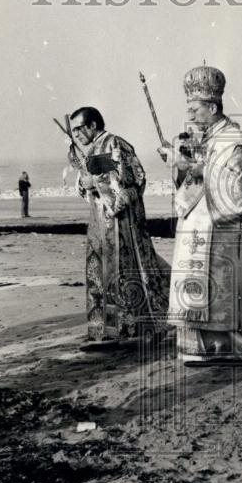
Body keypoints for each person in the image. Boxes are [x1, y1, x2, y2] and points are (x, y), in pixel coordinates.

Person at [158, 64, 242, 363]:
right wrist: (180, 166)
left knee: (226, 290)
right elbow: (193, 179)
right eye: (189, 109)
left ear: (211, 105)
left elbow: (239, 189)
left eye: (195, 108)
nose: (191, 115)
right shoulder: (205, 138)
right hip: (197, 223)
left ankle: (232, 346)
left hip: (223, 228)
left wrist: (192, 168)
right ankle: (204, 347)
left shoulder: (231, 139)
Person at [66, 106, 170, 342]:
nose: (77, 135)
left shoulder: (116, 144)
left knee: (126, 271)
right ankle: (106, 329)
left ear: (93, 125)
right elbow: (86, 186)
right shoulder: (91, 150)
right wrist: (84, 184)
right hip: (99, 221)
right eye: (73, 131)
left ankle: (136, 328)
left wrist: (96, 181)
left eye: (79, 129)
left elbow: (134, 180)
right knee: (100, 272)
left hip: (122, 223)